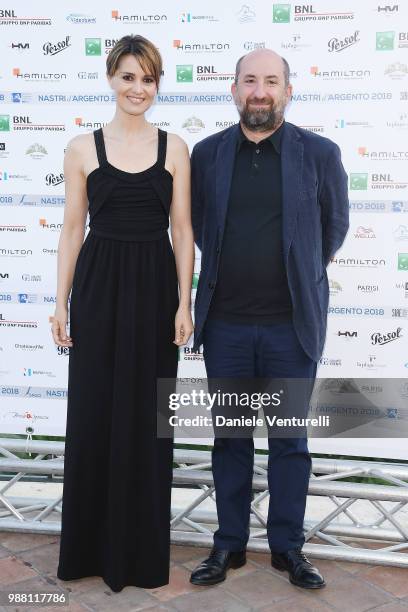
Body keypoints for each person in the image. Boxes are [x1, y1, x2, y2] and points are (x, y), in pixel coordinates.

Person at [189, 49, 349, 589]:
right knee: (230, 439)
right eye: (250, 80)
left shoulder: (320, 154)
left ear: (288, 89)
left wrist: (302, 271)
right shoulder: (207, 155)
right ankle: (227, 546)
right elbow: (197, 226)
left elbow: (334, 227)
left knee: (289, 442)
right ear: (234, 89)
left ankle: (288, 548)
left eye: (271, 81)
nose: (260, 90)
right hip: (227, 328)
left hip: (291, 328)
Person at [52, 34, 194, 592]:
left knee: (149, 419)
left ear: (157, 85)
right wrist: (59, 303)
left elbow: (182, 231)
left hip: (156, 286)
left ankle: (138, 552)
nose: (139, 88)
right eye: (129, 76)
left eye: (149, 78)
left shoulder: (175, 147)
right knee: (93, 412)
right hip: (100, 284)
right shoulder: (81, 148)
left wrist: (184, 301)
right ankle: (87, 549)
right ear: (111, 78)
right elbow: (70, 230)